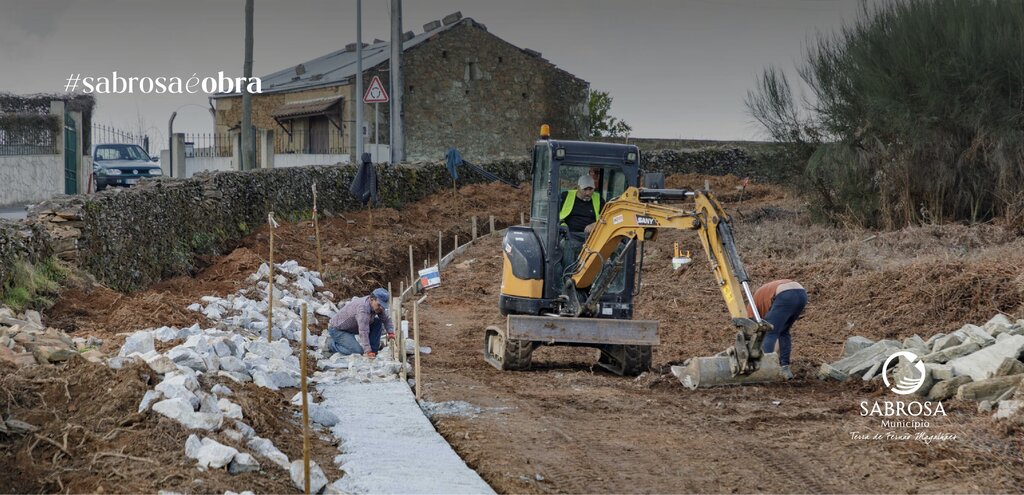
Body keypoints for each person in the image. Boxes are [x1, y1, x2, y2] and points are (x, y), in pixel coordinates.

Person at [748, 279, 807, 379]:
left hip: (785, 294)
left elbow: (763, 333)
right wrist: (774, 355)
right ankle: (784, 368)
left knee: (769, 332)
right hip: (801, 294)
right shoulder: (760, 301)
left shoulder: (751, 313)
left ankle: (765, 370)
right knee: (783, 332)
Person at [327, 288, 395, 358]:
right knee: (358, 351)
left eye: (383, 306)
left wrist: (391, 333)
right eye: (379, 305)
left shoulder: (376, 306)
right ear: (372, 299)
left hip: (352, 326)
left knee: (377, 322)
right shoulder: (363, 310)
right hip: (338, 329)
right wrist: (367, 351)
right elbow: (363, 331)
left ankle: (374, 350)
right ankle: (332, 345)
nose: (381, 308)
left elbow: (386, 319)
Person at [558, 174, 603, 272]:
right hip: (571, 235)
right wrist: (562, 226)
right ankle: (568, 277)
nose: (588, 193)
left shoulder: (598, 199)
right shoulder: (566, 196)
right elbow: (553, 214)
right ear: (578, 187)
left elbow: (607, 217)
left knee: (618, 247)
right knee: (567, 245)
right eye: (585, 189)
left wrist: (595, 225)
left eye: (591, 189)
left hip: (593, 237)